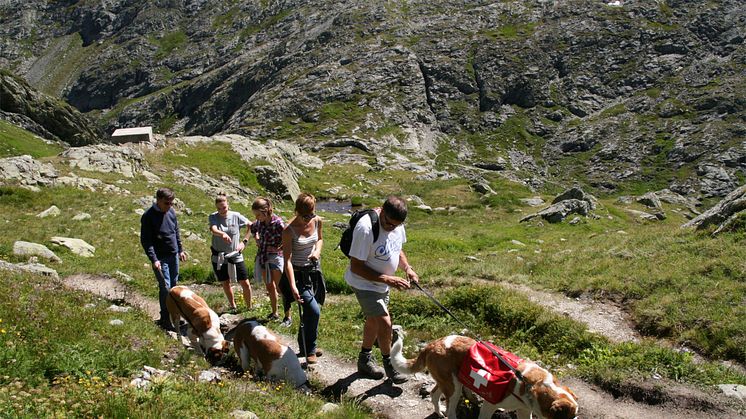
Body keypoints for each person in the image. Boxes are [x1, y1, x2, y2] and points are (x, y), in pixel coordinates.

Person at [345, 195, 419, 383]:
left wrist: (407, 268)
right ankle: (391, 366)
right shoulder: (366, 228)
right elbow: (356, 266)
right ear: (381, 211)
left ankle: (364, 359)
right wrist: (388, 278)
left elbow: (397, 249)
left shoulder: (396, 224)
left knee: (373, 320)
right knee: (384, 322)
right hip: (363, 283)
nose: (391, 227)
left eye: (395, 225)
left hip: (382, 284)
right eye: (387, 223)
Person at [280, 193, 324, 364]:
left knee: (311, 310)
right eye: (305, 215)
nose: (308, 219)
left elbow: (319, 239)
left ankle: (304, 345)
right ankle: (310, 349)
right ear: (296, 211)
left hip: (313, 271)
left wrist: (317, 252)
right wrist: (292, 285)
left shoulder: (317, 221)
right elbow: (287, 261)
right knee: (314, 310)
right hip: (297, 274)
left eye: (311, 214)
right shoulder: (288, 230)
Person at [140, 187, 188, 330]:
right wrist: (154, 259)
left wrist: (180, 249)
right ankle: (165, 318)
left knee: (174, 286)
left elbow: (175, 231)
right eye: (167, 203)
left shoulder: (171, 212)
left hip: (173, 255)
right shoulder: (148, 216)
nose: (170, 206)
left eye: (171, 203)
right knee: (166, 288)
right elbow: (146, 241)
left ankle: (175, 317)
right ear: (158, 200)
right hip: (160, 258)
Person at [209, 193, 254, 313]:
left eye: (224, 207)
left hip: (235, 254)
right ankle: (233, 306)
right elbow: (213, 229)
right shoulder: (213, 217)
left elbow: (251, 226)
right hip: (219, 255)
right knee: (225, 282)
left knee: (245, 281)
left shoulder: (236, 216)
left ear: (228, 204)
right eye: (219, 208)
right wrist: (222, 234)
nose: (222, 210)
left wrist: (244, 242)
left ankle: (249, 307)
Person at [250, 197, 285, 321]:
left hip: (276, 257)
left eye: (258, 215)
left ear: (266, 211)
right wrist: (257, 239)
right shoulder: (259, 223)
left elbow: (287, 237)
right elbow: (253, 228)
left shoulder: (278, 223)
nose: (256, 218)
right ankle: (275, 313)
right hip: (263, 257)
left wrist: (282, 247)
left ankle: (287, 316)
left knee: (280, 287)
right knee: (269, 286)